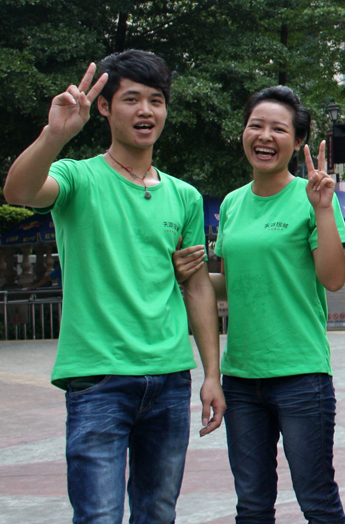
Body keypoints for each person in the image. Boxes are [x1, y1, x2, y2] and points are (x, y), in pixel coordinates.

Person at [2, 50, 224, 523]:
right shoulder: (76, 177)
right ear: (104, 107)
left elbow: (197, 287)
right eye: (131, 99)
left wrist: (210, 374)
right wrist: (55, 134)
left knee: (158, 512)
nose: (146, 111)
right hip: (98, 378)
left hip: (168, 377)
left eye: (156, 100)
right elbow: (18, 192)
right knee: (99, 515)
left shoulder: (183, 196)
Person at [172, 86, 345, 523]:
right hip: (241, 378)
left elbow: (333, 278)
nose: (265, 136)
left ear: (298, 142)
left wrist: (324, 210)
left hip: (301, 376)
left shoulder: (312, 196)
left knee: (317, 499)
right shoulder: (232, 203)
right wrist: (185, 276)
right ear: (243, 133)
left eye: (278, 129)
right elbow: (233, 285)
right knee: (252, 505)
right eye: (256, 125)